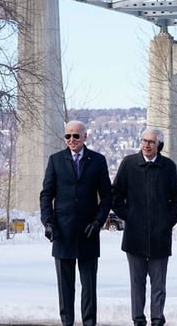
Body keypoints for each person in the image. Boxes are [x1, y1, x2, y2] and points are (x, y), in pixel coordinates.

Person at [40, 120, 112, 326]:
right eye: (68, 136)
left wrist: (99, 221)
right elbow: (46, 195)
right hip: (62, 232)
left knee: (89, 287)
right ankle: (67, 323)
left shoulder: (98, 161)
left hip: (89, 232)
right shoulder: (55, 160)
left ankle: (89, 323)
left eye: (76, 136)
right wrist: (48, 222)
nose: (71, 140)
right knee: (65, 287)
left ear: (85, 137)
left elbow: (106, 196)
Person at [112, 127, 177, 326]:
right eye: (144, 141)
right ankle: (138, 319)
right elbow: (116, 195)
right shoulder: (129, 164)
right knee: (137, 283)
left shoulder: (167, 166)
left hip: (160, 236)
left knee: (158, 284)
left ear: (159, 145)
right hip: (134, 236)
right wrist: (129, 217)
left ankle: (157, 319)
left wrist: (168, 221)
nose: (146, 145)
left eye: (151, 142)